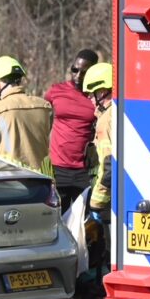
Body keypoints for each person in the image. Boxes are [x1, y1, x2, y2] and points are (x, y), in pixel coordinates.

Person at [45, 50, 100, 209]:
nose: (77, 76)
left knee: (82, 221)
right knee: (57, 219)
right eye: (74, 70)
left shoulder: (96, 97)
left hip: (84, 171)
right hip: (58, 168)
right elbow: (40, 113)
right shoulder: (56, 91)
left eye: (83, 72)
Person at [82, 62, 115, 216]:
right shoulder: (116, 111)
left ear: (102, 91)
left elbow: (109, 164)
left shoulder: (106, 120)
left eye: (91, 92)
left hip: (107, 199)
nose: (89, 97)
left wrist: (96, 203)